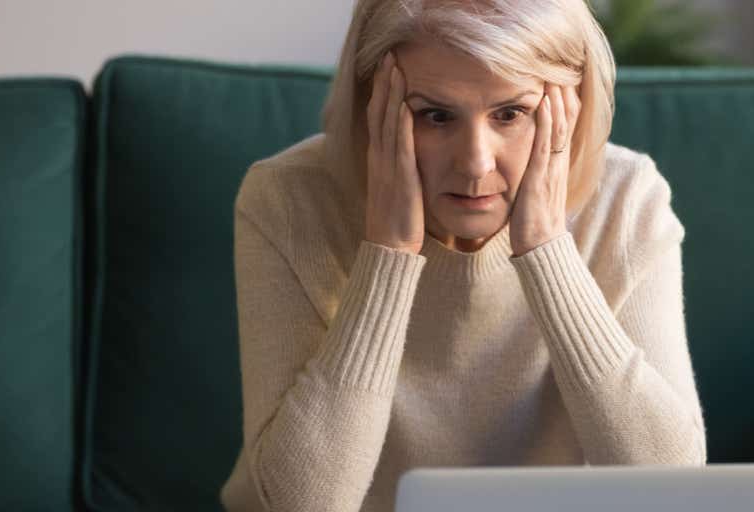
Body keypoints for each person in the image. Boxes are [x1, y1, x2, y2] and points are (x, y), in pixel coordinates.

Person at [219, 1, 707, 510]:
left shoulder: (625, 199)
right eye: (435, 115)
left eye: (511, 113)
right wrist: (388, 252)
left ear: (573, 102)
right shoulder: (286, 199)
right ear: (371, 106)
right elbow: (302, 504)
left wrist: (546, 246)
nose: (475, 163)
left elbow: (673, 490)